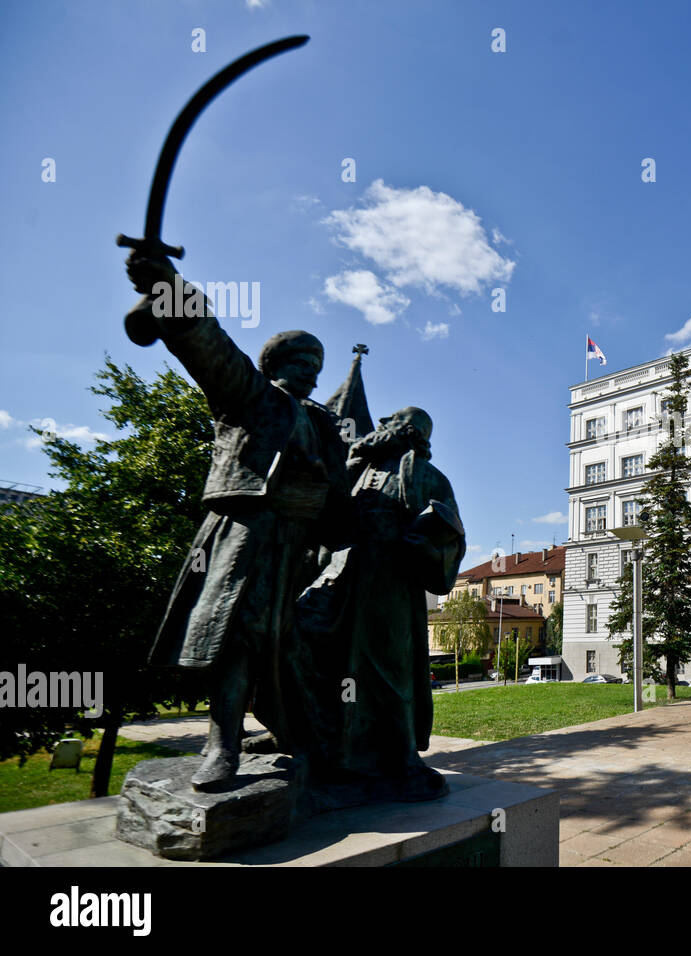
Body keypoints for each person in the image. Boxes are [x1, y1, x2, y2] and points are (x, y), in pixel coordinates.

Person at [124, 252, 352, 790]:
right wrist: (169, 287)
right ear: (272, 365)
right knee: (238, 634)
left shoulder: (323, 422)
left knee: (291, 644)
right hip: (246, 531)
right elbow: (208, 345)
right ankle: (220, 745)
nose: (312, 374)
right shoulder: (251, 397)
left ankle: (300, 739)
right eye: (302, 363)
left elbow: (341, 491)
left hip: (299, 545)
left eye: (317, 367)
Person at [297, 407, 465, 799]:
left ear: (407, 432)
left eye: (390, 424)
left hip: (390, 586)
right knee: (315, 653)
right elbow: (325, 512)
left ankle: (403, 759)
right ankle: (323, 748)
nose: (380, 427)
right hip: (340, 577)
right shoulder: (357, 468)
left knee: (390, 674)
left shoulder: (428, 477)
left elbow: (452, 540)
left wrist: (426, 548)